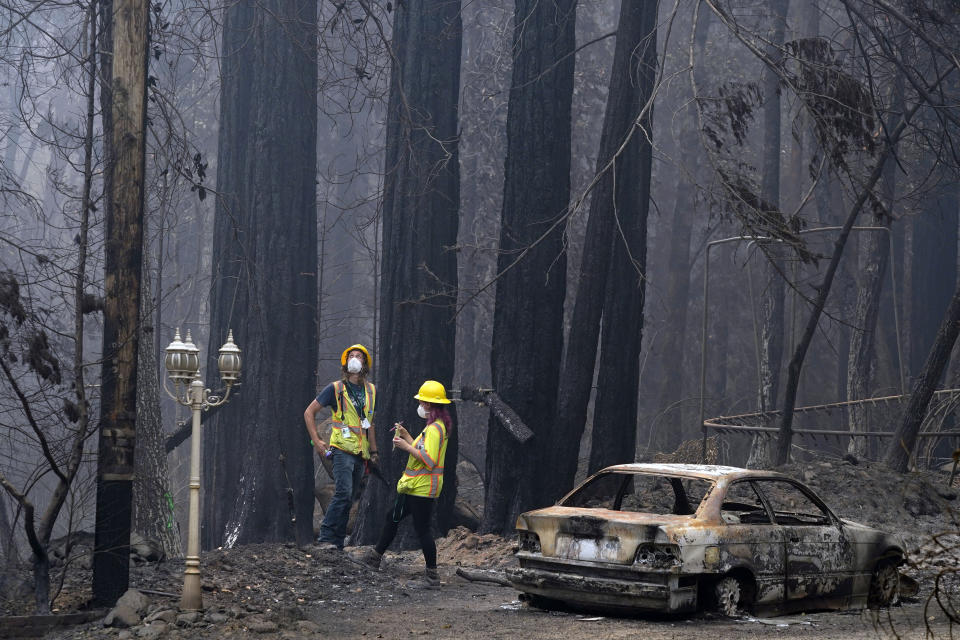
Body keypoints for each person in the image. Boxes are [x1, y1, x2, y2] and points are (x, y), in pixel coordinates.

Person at [350, 380, 452, 587]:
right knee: (392, 518)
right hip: (413, 486)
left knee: (422, 529)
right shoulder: (436, 427)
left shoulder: (434, 429)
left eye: (423, 402)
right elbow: (424, 450)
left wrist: (406, 446)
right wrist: (408, 436)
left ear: (430, 405)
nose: (420, 406)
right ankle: (375, 558)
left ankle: (432, 577)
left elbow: (429, 459)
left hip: (422, 488)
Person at [303, 344, 379, 550]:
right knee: (343, 494)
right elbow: (309, 413)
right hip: (342, 449)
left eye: (359, 356)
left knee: (350, 498)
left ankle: (336, 542)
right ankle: (326, 537)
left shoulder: (371, 390)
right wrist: (317, 440)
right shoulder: (335, 388)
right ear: (345, 363)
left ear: (365, 364)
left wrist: (374, 451)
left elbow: (369, 423)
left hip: (360, 453)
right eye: (351, 356)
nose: (354, 359)